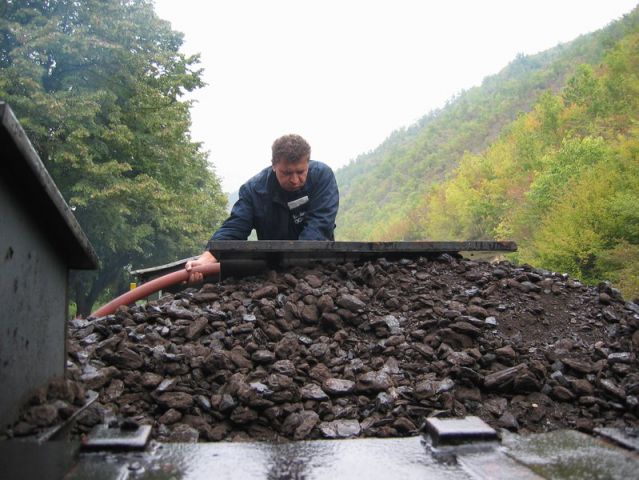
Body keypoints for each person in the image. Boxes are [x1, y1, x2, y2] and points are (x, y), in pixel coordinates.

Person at [185, 134, 339, 283]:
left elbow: (320, 225)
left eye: (300, 172)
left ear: (308, 163)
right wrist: (209, 256)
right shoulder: (253, 190)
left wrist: (296, 266)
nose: (294, 180)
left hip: (315, 266)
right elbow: (235, 226)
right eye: (286, 173)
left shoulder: (322, 177)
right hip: (270, 270)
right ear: (274, 165)